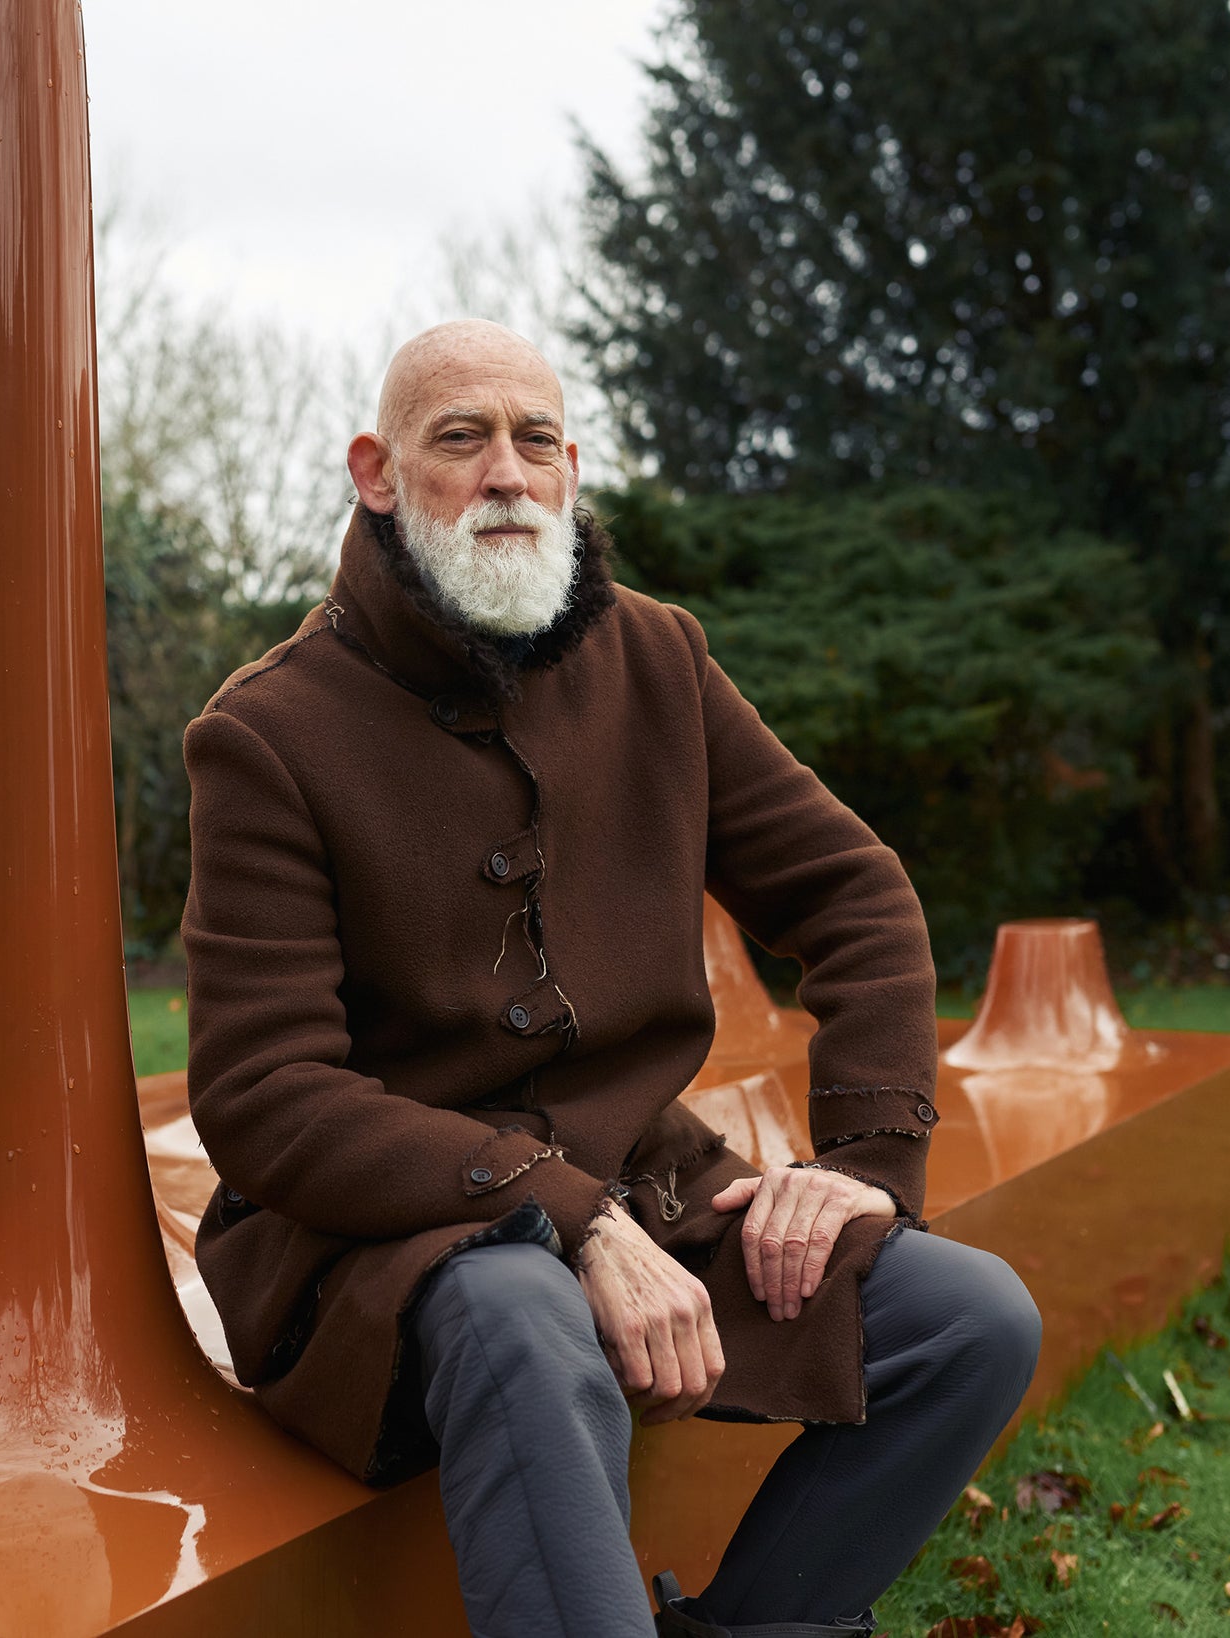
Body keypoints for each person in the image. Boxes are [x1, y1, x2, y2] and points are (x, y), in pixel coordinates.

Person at [178, 319, 1041, 1638]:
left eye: (536, 439)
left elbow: (854, 892)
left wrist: (861, 1165)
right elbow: (264, 1092)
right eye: (460, 438)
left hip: (656, 1197)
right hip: (371, 1252)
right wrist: (564, 1214)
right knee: (519, 1304)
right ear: (377, 470)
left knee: (970, 1318)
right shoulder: (266, 730)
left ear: (574, 468)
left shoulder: (662, 659)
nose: (505, 473)